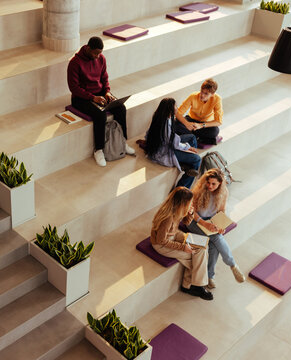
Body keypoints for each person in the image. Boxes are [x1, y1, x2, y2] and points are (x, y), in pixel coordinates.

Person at [67, 36, 135, 167]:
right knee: (100, 114)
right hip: (80, 98)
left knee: (121, 108)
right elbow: (74, 88)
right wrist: (92, 97)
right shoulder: (75, 63)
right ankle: (98, 150)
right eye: (95, 53)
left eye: (100, 53)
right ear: (88, 48)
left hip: (99, 94)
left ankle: (122, 142)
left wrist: (107, 92)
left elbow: (105, 79)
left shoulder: (101, 58)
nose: (98, 56)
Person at [150, 187, 213, 300]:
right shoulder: (168, 218)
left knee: (202, 247)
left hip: (174, 235)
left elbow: (186, 222)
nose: (191, 204)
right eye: (190, 203)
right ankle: (194, 286)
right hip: (161, 245)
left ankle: (191, 285)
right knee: (195, 255)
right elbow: (161, 240)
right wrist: (183, 247)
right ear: (182, 203)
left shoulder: (177, 210)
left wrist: (190, 213)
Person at [187, 169, 245, 288]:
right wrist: (204, 224)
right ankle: (232, 265)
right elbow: (191, 213)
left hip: (210, 221)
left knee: (214, 243)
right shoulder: (198, 190)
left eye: (214, 184)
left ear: (219, 184)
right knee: (216, 237)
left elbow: (221, 211)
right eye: (208, 183)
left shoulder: (223, 192)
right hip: (194, 221)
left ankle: (210, 276)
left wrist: (220, 226)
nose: (210, 186)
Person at [145, 98, 201, 188]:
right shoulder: (166, 123)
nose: (177, 107)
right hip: (165, 152)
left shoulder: (158, 116)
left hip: (165, 146)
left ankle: (186, 166)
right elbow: (174, 143)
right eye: (175, 106)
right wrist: (187, 147)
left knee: (192, 137)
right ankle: (182, 188)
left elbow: (148, 134)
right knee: (197, 159)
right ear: (170, 108)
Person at [174, 78, 223, 145]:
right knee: (175, 122)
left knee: (215, 131)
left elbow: (218, 121)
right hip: (191, 120)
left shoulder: (217, 99)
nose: (202, 95)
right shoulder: (193, 96)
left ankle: (191, 136)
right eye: (202, 91)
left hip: (204, 124)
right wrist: (187, 124)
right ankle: (199, 137)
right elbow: (178, 113)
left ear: (212, 94)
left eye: (206, 94)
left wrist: (201, 125)